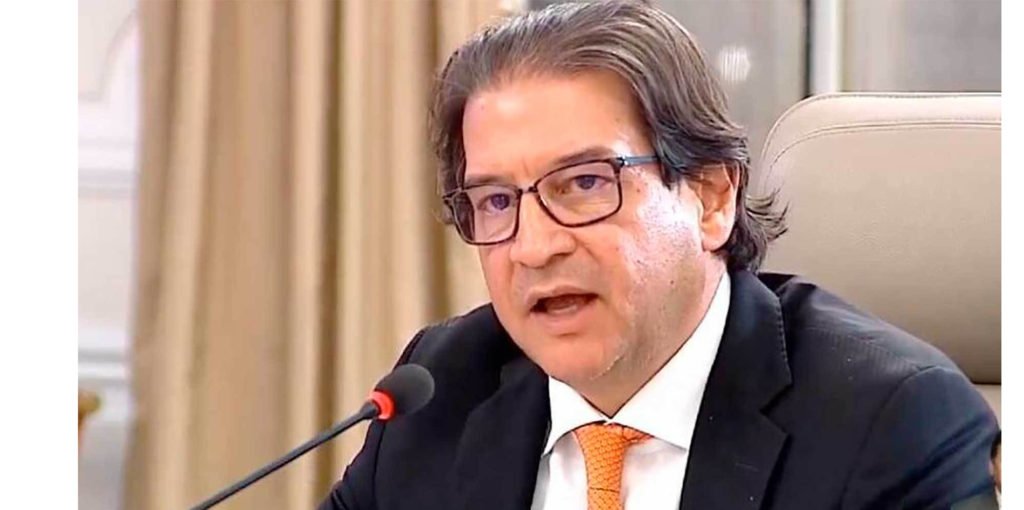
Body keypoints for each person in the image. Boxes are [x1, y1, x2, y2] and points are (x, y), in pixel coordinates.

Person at [319, 1, 999, 508]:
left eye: (585, 184)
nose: (534, 246)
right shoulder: (439, 393)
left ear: (711, 198)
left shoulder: (890, 422)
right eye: (497, 200)